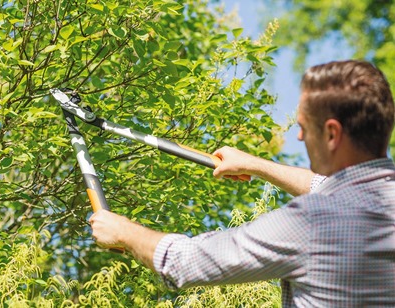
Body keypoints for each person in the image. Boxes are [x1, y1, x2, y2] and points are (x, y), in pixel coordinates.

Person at [90, 60, 395, 307]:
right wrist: (256, 165)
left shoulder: (312, 223)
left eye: (303, 127)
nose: (299, 137)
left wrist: (123, 231)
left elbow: (184, 262)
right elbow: (328, 186)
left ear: (331, 134)